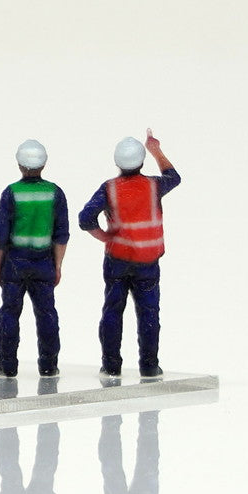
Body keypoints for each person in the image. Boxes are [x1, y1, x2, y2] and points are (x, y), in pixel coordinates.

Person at [78, 130, 180, 379]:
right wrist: (156, 150)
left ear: (117, 162)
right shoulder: (154, 186)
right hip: (148, 262)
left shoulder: (109, 188)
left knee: (112, 311)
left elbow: (85, 218)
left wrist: (104, 237)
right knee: (149, 313)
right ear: (141, 161)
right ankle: (149, 366)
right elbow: (174, 177)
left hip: (117, 261)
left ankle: (111, 366)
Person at [0, 139, 69, 378]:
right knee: (47, 314)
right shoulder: (55, 193)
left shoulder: (11, 192)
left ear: (19, 164)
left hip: (14, 262)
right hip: (44, 262)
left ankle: (7, 366)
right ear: (43, 164)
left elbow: (0, 236)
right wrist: (57, 265)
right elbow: (61, 235)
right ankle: (48, 366)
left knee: (9, 313)